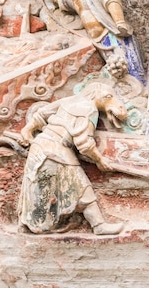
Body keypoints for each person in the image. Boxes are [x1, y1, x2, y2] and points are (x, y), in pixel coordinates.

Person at [18, 82, 127, 235]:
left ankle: (29, 224)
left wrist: (27, 130)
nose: (109, 100)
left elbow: (42, 113)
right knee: (82, 188)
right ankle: (99, 225)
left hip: (39, 147)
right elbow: (84, 144)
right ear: (96, 95)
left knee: (37, 189)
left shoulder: (71, 100)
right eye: (107, 97)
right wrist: (100, 160)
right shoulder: (90, 109)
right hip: (57, 150)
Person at [37, 0, 147, 85]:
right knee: (118, 75)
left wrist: (120, 22)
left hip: (113, 36)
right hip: (98, 41)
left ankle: (139, 91)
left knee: (131, 71)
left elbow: (111, 0)